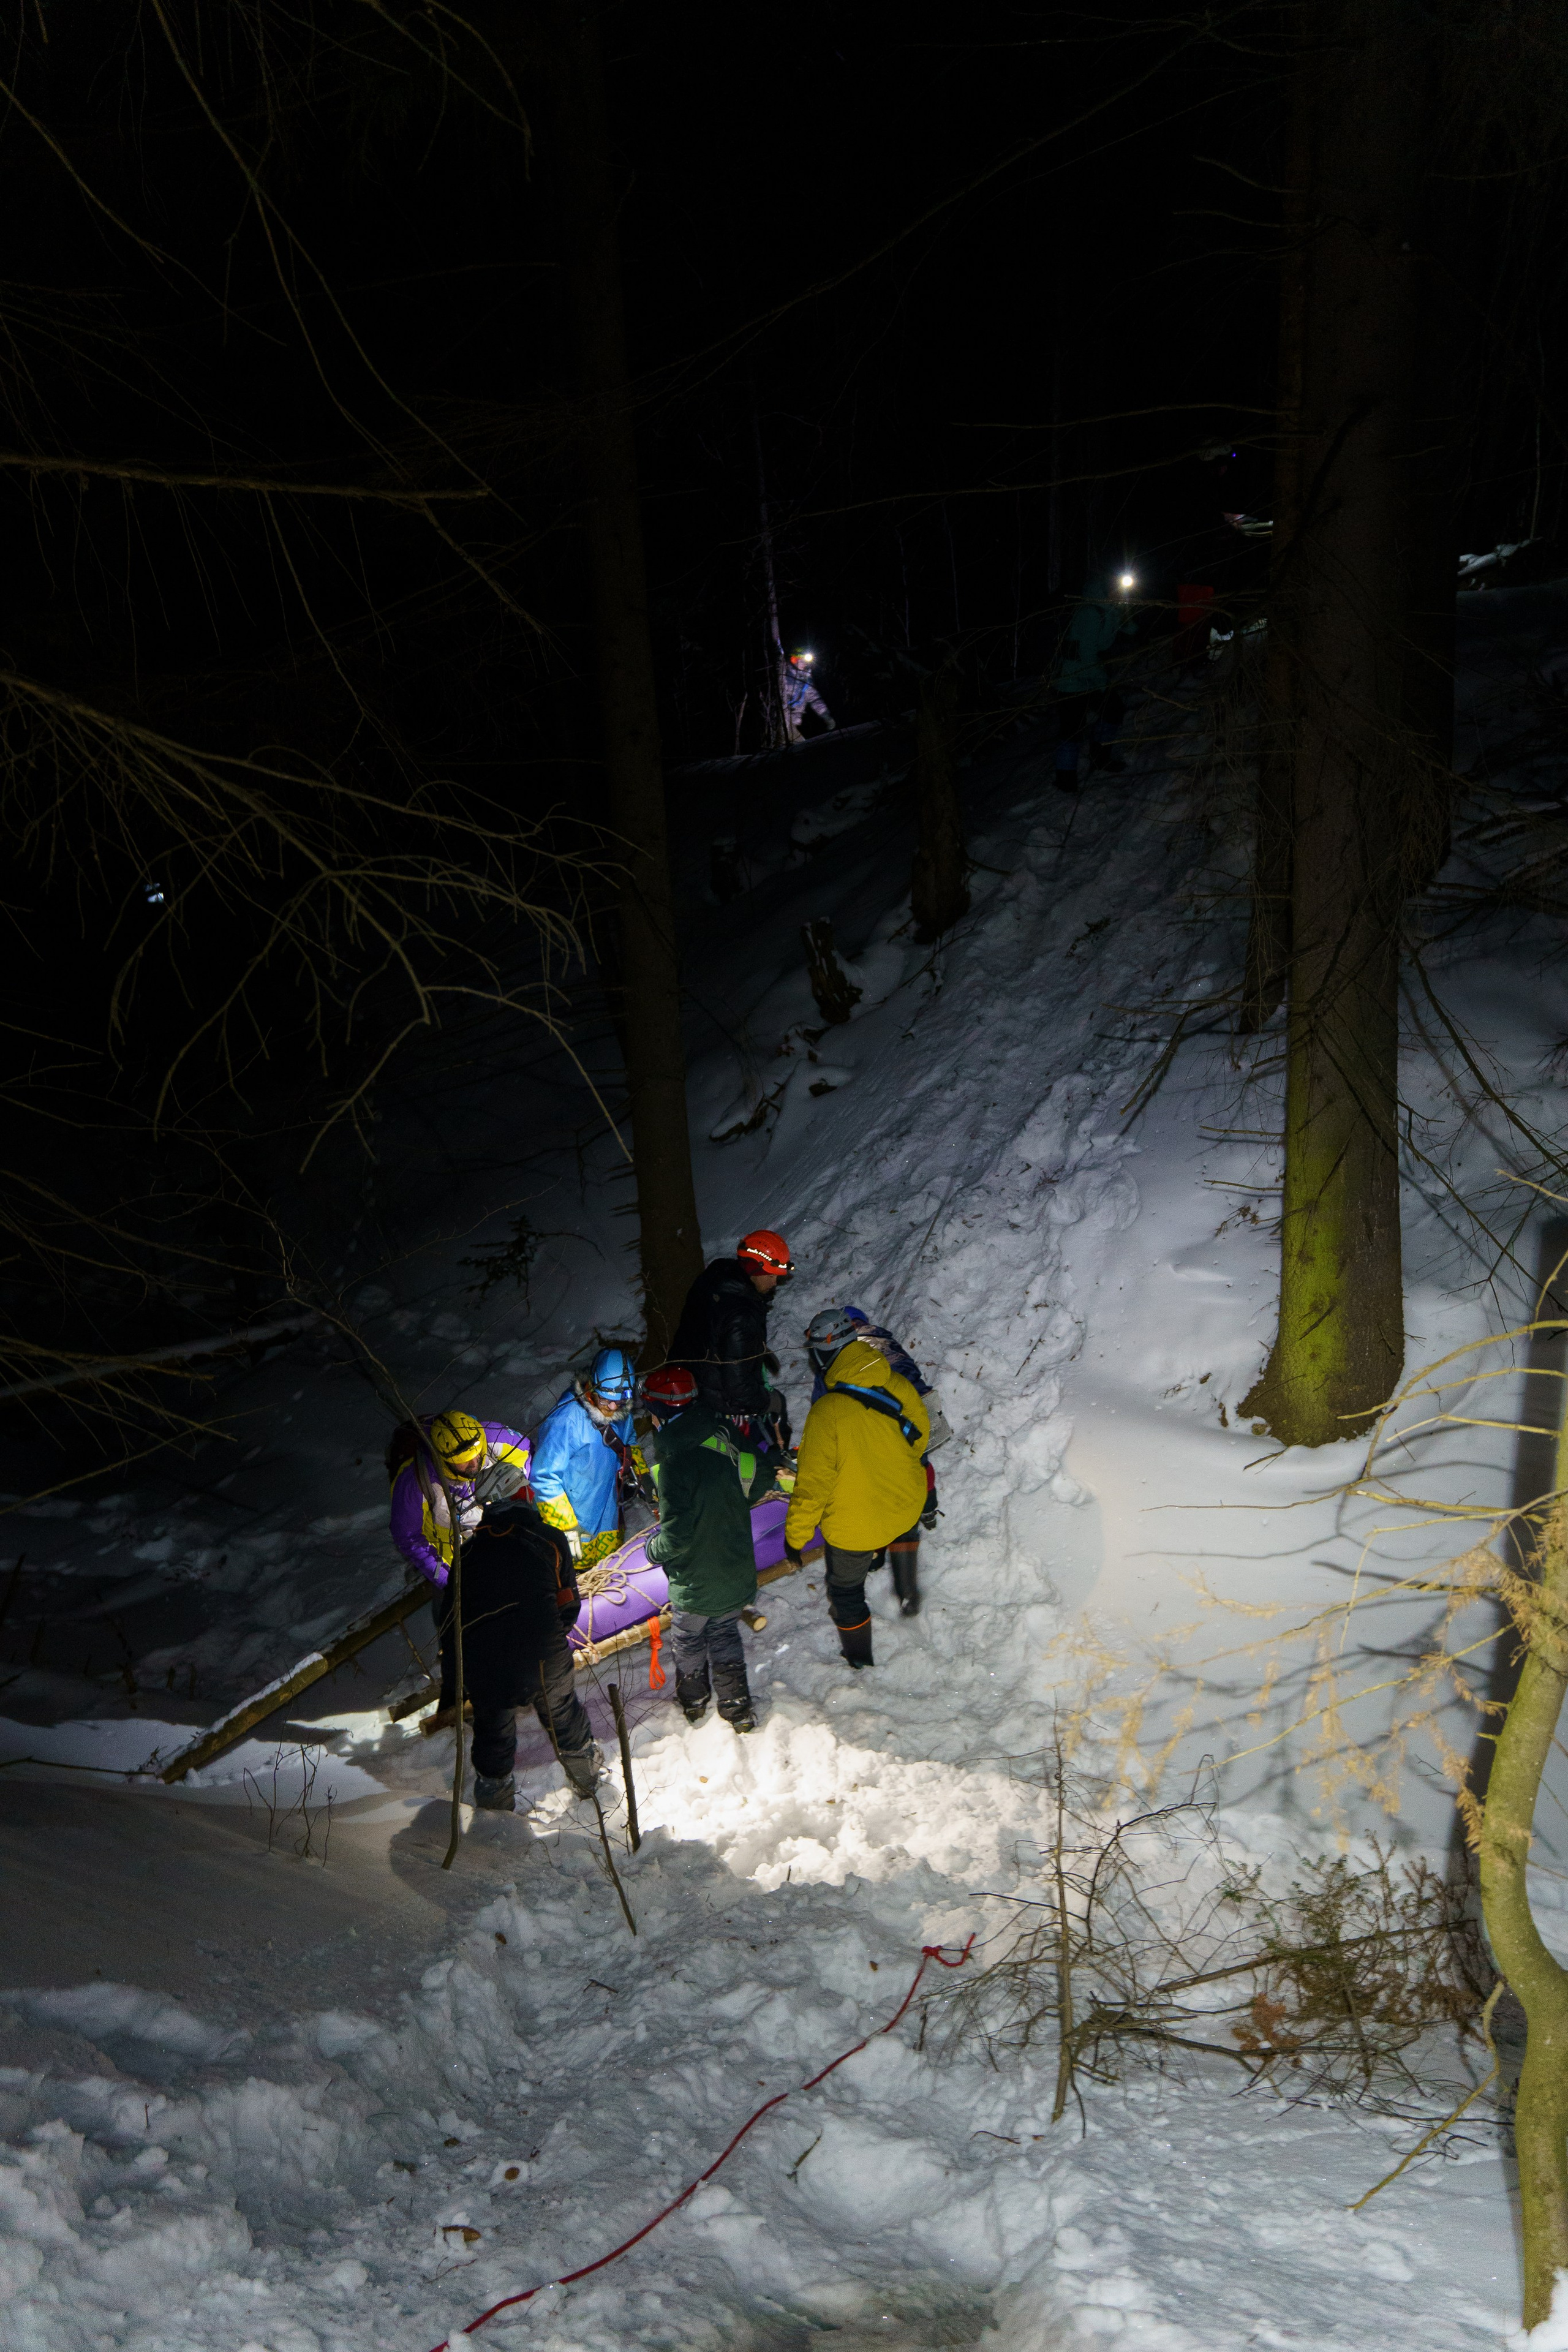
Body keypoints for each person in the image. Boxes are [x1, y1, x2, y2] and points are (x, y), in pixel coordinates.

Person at [783, 1307, 930, 1668]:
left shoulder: (826, 1412)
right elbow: (921, 1437)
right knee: (895, 1522)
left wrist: (796, 1538)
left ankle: (860, 1663)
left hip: (857, 1527)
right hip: (905, 1504)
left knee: (846, 1590)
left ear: (821, 1354)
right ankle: (909, 1594)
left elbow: (813, 1487)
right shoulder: (897, 1385)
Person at [641, 1364, 772, 1733]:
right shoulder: (722, 1431)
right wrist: (728, 1503)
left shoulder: (673, 1465)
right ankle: (737, 1708)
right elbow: (761, 1472)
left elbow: (677, 1537)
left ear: (662, 1410)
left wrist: (653, 1551)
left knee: (688, 1637)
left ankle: (694, 1701)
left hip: (696, 1581)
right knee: (725, 1631)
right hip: (734, 1564)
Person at [456, 1496, 605, 1812]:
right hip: (542, 1651)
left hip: (486, 1661)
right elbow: (568, 1605)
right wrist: (548, 1637)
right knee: (563, 1712)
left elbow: (450, 1621)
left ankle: (494, 1810)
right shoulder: (548, 1538)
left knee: (493, 1729)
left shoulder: (465, 1556)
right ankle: (588, 1785)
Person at [386, 1408, 533, 1721]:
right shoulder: (416, 1482)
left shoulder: (491, 1438)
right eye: (463, 1461)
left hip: (497, 1540)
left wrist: (516, 1495)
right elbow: (407, 1537)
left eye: (476, 1455)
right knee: (455, 1627)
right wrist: (447, 1579)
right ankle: (458, 1694)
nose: (474, 1463)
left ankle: (517, 1663)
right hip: (451, 1558)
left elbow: (525, 1452)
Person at [805, 1303, 944, 1610]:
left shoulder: (837, 1358)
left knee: (874, 1483)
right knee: (915, 1465)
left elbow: (825, 1401)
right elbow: (909, 1371)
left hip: (883, 1417)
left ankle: (873, 1552)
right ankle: (926, 1515)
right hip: (915, 1405)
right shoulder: (884, 1339)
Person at [669, 1229, 794, 1453]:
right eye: (772, 1275)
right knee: (774, 1412)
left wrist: (756, 1348)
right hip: (715, 1403)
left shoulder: (716, 1279)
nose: (775, 1282)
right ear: (755, 1269)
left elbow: (714, 1333)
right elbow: (739, 1391)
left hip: (689, 1388)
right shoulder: (741, 1314)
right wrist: (768, 1402)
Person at [530, 1346, 647, 1572]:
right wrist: (566, 1527)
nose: (613, 1408)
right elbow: (544, 1477)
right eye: (606, 1400)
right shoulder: (566, 1419)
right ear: (592, 1387)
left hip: (607, 1519)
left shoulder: (621, 1411)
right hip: (574, 1528)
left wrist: (642, 1474)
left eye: (620, 1403)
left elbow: (628, 1440)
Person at [1049, 576, 1138, 789]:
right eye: (1117, 589)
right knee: (1072, 727)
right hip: (1071, 678)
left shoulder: (1110, 609)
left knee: (1113, 711)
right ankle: (1065, 779)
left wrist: (1125, 614)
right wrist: (1101, 684)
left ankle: (1100, 757)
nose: (1120, 593)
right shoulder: (1089, 612)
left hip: (1089, 675)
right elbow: (1087, 655)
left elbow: (1131, 630)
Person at [782, 647, 835, 742]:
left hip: (793, 722)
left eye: (805, 661)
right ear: (794, 660)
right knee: (799, 745)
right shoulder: (785, 676)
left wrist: (825, 715)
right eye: (801, 661)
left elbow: (814, 699)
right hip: (783, 720)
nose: (804, 664)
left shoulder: (806, 679)